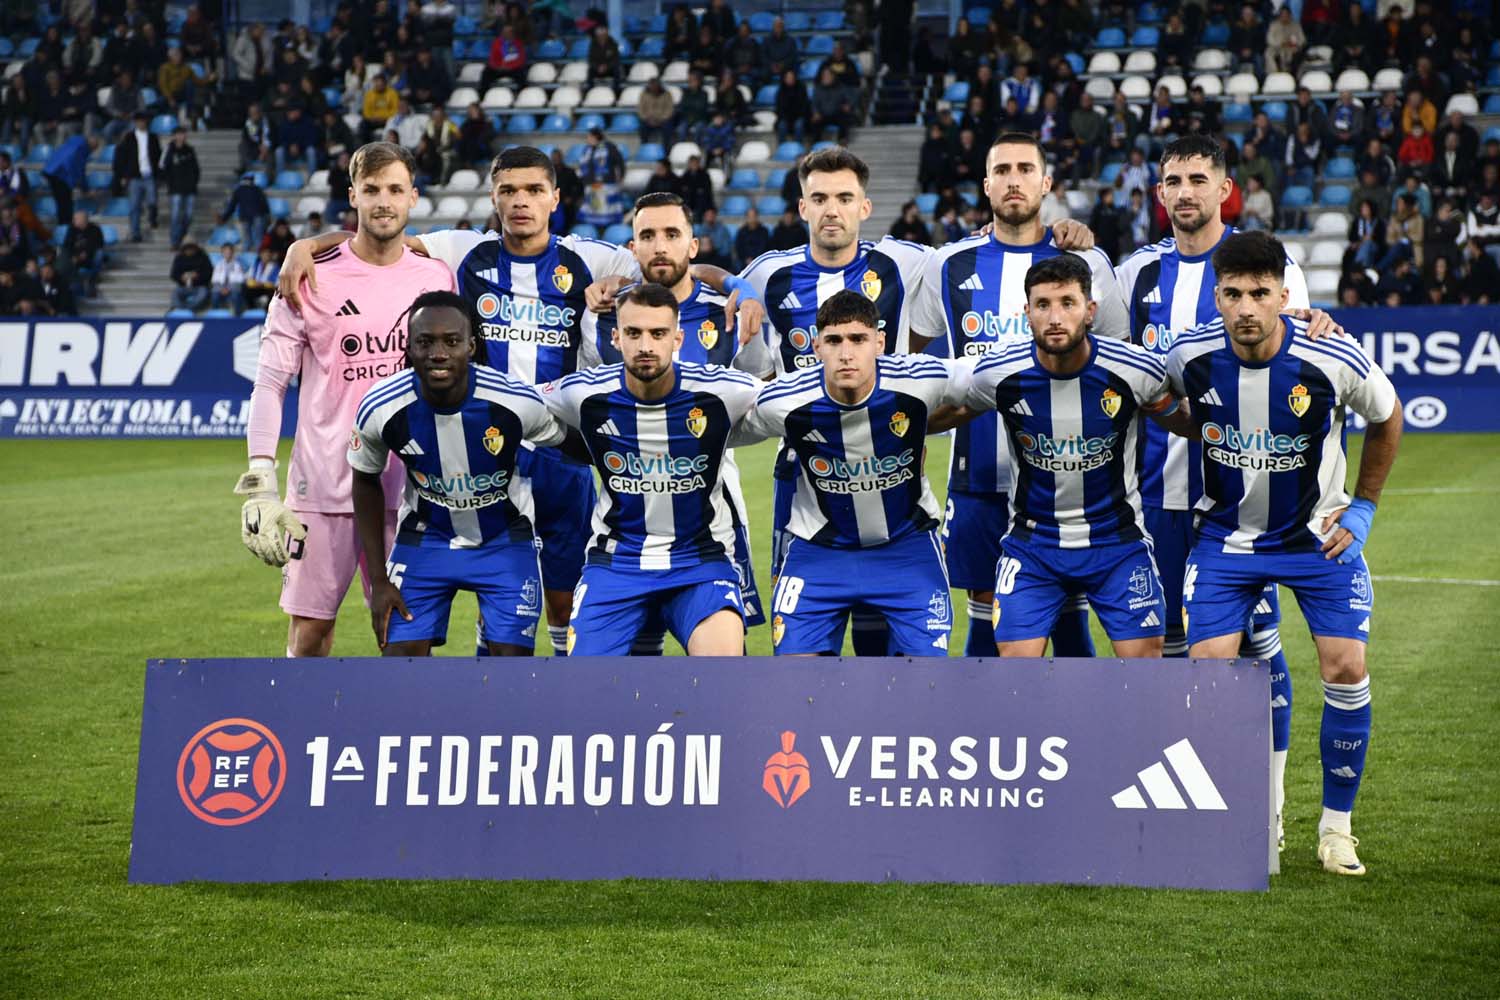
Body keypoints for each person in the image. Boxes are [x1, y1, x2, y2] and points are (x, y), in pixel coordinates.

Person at [1116, 135, 1338, 852]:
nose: (1185, 192)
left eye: (1198, 179)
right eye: (1173, 180)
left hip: (1247, 506)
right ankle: (1186, 801)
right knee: (1173, 650)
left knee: (1259, 650)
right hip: (1153, 493)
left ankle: (1266, 807)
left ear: (1224, 189)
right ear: (1159, 193)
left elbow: (1303, 342)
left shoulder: (1266, 264)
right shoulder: (1134, 274)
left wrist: (1320, 320)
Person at [1167, 230, 1403, 878]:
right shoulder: (1188, 352)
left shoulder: (1330, 353)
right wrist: (1197, 422)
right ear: (1217, 296)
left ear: (1284, 295)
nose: (1247, 307)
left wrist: (1363, 507)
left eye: (1261, 293)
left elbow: (1388, 416)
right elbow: (1154, 395)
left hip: (1315, 538)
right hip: (1225, 540)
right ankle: (1255, 818)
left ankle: (1335, 830)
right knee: (1209, 675)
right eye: (1235, 293)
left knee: (1346, 666)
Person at [234, 142, 455, 658]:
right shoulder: (309, 275)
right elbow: (269, 383)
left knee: (404, 639)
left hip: (410, 490)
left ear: (414, 198)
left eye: (395, 190)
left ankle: (400, 736)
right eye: (372, 190)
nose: (384, 201)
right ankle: (299, 732)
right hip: (322, 487)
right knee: (310, 634)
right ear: (353, 194)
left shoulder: (436, 277)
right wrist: (261, 480)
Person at [909, 131, 1116, 658]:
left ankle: (1080, 735)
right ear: (986, 185)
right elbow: (910, 360)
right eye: (1002, 170)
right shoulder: (949, 264)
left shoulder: (1087, 264)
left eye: (1026, 169)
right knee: (986, 607)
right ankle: (990, 735)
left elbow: (1118, 363)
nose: (1013, 179)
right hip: (978, 474)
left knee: (1070, 606)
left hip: (1066, 473)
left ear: (1046, 183)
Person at [733, 147, 939, 655]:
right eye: (819, 197)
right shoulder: (766, 275)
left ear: (865, 207)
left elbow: (972, 257)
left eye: (845, 198)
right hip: (802, 482)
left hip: (889, 471)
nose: (832, 209)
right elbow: (756, 375)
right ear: (801, 207)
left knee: (881, 634)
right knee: (802, 635)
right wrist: (731, 281)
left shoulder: (904, 262)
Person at [958, 254, 1187, 657]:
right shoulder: (997, 374)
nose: (1055, 317)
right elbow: (935, 410)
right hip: (1033, 545)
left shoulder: (1136, 372)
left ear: (1090, 310)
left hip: (1117, 544)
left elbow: (1188, 421)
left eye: (1068, 302)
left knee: (1146, 662)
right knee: (1014, 663)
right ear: (1026, 312)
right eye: (1043, 305)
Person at [579, 191, 769, 650]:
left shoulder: (731, 314)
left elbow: (755, 396)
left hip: (711, 522)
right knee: (631, 667)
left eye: (672, 234)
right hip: (624, 525)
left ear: (693, 245)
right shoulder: (602, 320)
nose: (660, 245)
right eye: (648, 235)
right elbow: (588, 408)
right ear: (632, 247)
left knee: (722, 662)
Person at [731, 290, 969, 655]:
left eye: (858, 339)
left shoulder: (921, 380)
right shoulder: (784, 401)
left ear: (879, 343)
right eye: (834, 341)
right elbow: (721, 430)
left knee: (927, 681)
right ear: (816, 347)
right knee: (794, 680)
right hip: (820, 553)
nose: (845, 353)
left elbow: (987, 386)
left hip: (907, 549)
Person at [543, 283, 759, 656]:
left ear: (677, 338)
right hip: (615, 563)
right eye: (633, 333)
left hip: (699, 561)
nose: (646, 345)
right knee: (583, 691)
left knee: (725, 674)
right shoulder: (583, 394)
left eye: (658, 334)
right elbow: (514, 403)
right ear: (616, 338)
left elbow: (793, 400)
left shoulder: (722, 392)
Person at [350, 291, 566, 655]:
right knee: (397, 662)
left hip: (504, 539)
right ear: (408, 347)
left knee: (511, 670)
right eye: (425, 342)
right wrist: (379, 580)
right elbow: (364, 479)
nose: (438, 353)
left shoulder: (514, 402)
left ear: (471, 346)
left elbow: (571, 443)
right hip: (425, 538)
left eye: (451, 341)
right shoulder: (380, 406)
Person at [112, 110, 159, 242]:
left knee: (152, 201)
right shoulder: (129, 138)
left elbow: (157, 156)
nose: (141, 123)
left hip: (149, 174)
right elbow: (122, 157)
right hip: (134, 176)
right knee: (134, 206)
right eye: (139, 121)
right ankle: (135, 232)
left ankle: (152, 217)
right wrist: (122, 175)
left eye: (143, 121)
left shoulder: (153, 137)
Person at [159, 125, 200, 249]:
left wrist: (194, 182)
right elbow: (162, 167)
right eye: (179, 134)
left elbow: (196, 169)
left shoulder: (190, 150)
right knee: (175, 216)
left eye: (183, 134)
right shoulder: (169, 150)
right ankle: (175, 241)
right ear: (174, 136)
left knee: (188, 215)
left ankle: (183, 236)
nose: (181, 137)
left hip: (190, 188)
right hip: (175, 188)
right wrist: (169, 183)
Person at [219, 172, 271, 252]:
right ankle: (258, 256)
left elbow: (232, 206)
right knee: (258, 240)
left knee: (247, 241)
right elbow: (264, 204)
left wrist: (224, 218)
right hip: (257, 216)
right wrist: (267, 216)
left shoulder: (239, 190)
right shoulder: (257, 189)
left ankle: (248, 254)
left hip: (245, 217)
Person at [169, 240, 212, 311]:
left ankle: (188, 308)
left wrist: (197, 276)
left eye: (191, 248)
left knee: (203, 294)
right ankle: (180, 309)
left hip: (200, 286)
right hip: (183, 286)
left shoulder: (203, 258)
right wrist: (181, 277)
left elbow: (209, 273)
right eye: (187, 249)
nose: (189, 250)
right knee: (175, 294)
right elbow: (173, 274)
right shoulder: (179, 258)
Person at [210, 242, 246, 313]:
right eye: (225, 252)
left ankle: (237, 316)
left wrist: (228, 289)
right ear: (222, 253)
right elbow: (214, 279)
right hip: (220, 288)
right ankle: (215, 315)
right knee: (214, 296)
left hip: (233, 288)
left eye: (229, 252)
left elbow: (241, 280)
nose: (227, 254)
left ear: (233, 253)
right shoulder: (218, 264)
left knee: (236, 295)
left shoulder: (238, 265)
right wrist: (221, 289)